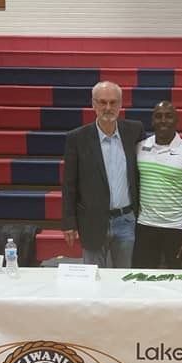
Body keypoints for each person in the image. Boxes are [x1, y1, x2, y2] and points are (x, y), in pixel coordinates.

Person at [61, 80, 144, 267]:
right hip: (91, 220)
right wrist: (69, 222)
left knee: (124, 277)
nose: (108, 107)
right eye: (102, 102)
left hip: (126, 220)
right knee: (94, 278)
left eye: (113, 102)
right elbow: (69, 184)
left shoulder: (134, 131)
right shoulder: (77, 138)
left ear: (121, 104)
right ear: (93, 104)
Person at [133, 101, 182, 269]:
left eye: (169, 116)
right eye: (158, 116)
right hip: (144, 227)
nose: (163, 120)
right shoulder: (140, 147)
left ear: (177, 120)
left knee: (177, 285)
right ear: (152, 121)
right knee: (142, 282)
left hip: (176, 229)